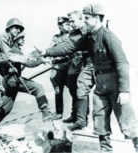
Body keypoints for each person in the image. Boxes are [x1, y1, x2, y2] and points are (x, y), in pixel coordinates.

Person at [38, 3, 138, 152]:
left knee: (127, 120)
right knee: (99, 119)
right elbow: (69, 46)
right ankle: (106, 150)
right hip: (100, 82)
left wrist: (124, 90)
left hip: (115, 83)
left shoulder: (108, 37)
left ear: (97, 18)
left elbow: (122, 63)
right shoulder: (88, 37)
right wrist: (46, 51)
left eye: (86, 18)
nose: (83, 21)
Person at [1, 32, 62, 123]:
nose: (23, 40)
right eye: (21, 38)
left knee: (6, 107)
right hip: (13, 80)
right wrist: (41, 60)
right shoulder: (15, 50)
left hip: (7, 81)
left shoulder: (10, 49)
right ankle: (46, 113)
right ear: (15, 39)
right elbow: (29, 64)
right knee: (38, 88)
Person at [63, 11, 95, 131]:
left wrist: (82, 53)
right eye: (69, 21)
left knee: (81, 90)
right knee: (72, 89)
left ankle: (81, 120)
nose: (70, 24)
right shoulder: (73, 33)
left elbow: (92, 49)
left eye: (73, 21)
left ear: (81, 19)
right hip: (73, 64)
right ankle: (75, 115)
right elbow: (68, 46)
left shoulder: (87, 30)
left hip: (85, 63)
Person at [49, 16, 71, 117]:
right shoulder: (56, 38)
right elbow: (51, 50)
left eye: (66, 24)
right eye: (61, 25)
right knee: (57, 90)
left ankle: (77, 114)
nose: (63, 27)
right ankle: (58, 113)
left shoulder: (72, 36)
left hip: (70, 67)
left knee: (76, 90)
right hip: (58, 68)